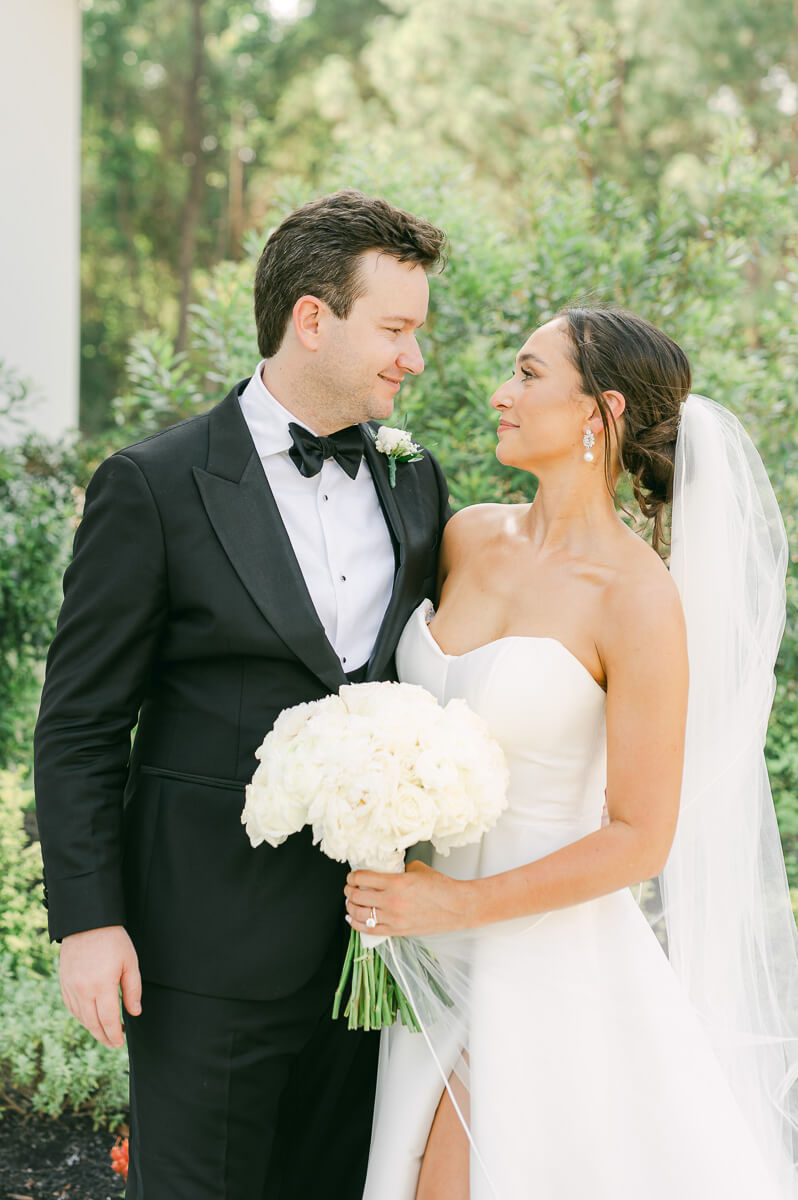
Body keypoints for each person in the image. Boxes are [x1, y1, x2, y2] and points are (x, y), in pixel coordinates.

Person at [34, 189, 451, 1199]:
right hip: (204, 948)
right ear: (315, 318)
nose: (415, 356)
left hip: (367, 959)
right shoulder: (155, 484)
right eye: (396, 329)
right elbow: (82, 724)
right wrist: (88, 925)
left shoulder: (415, 479)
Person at [345, 306, 798, 1198]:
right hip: (414, 940)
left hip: (540, 946)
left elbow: (639, 836)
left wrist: (460, 903)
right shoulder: (468, 535)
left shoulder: (637, 600)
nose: (499, 393)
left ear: (602, 412)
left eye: (527, 374)